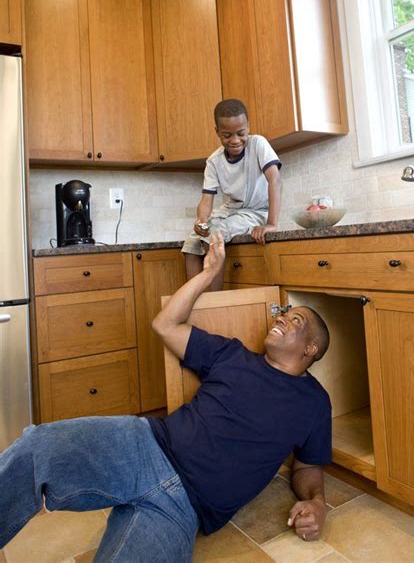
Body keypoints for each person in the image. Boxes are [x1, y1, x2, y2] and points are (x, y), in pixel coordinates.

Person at [0, 234, 331, 562]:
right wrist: (206, 274)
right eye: (283, 314)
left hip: (183, 510)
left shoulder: (314, 403)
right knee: (37, 449)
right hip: (144, 446)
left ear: (310, 349)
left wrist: (317, 502)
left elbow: (308, 466)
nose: (281, 318)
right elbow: (165, 324)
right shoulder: (232, 354)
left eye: (295, 320)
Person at [182, 98, 282, 290]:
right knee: (192, 242)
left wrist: (271, 223)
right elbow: (206, 199)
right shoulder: (213, 161)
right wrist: (201, 221)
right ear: (217, 132)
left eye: (241, 133)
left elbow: (275, 180)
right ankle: (195, 302)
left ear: (248, 127)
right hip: (231, 211)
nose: (235, 140)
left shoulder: (258, 144)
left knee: (215, 235)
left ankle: (216, 302)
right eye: (227, 135)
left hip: (256, 211)